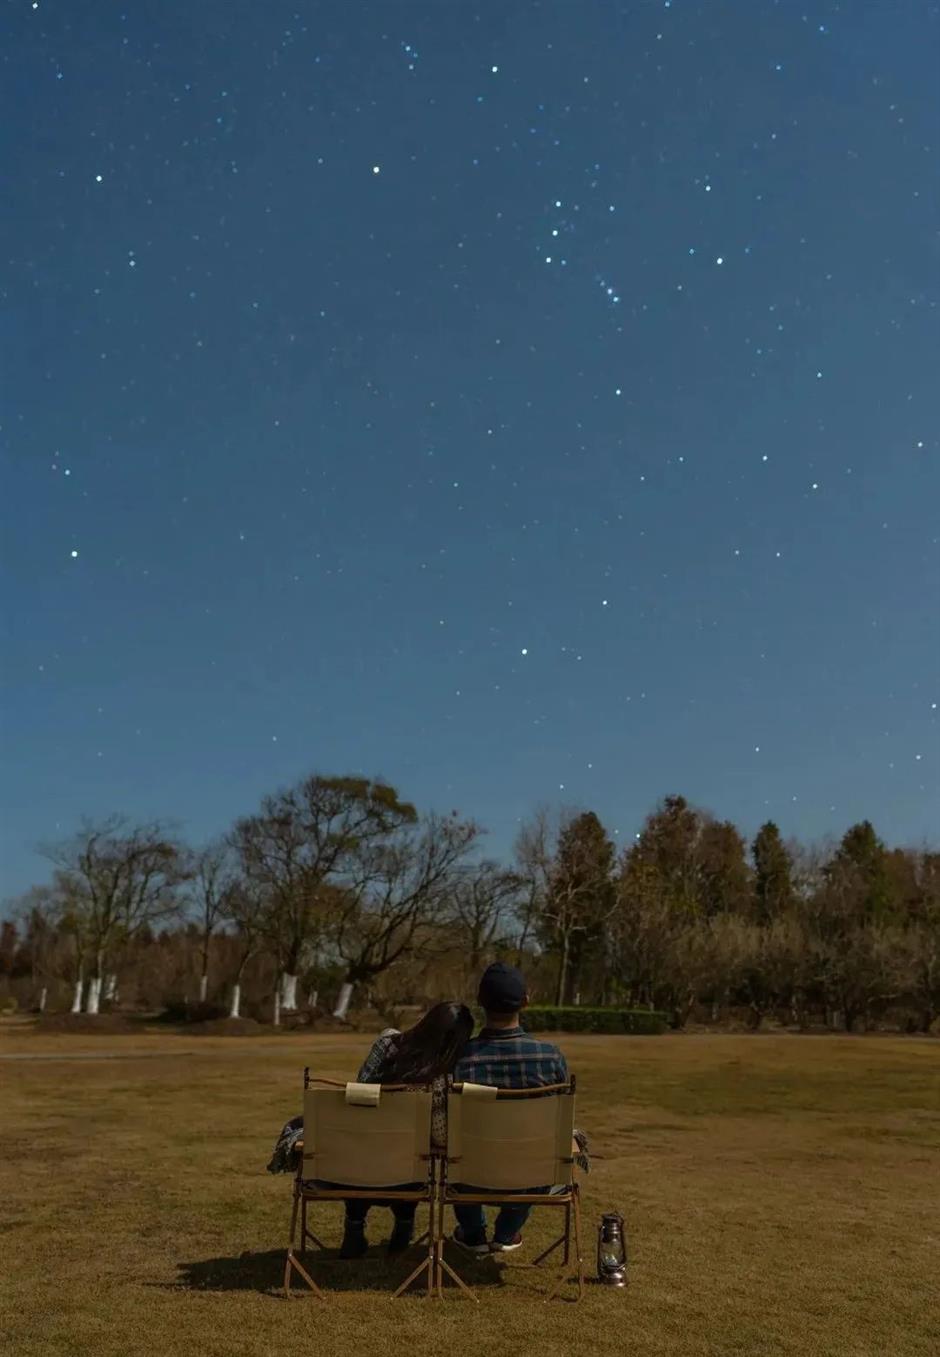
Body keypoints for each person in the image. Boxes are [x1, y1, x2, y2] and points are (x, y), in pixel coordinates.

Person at [267, 1001, 474, 1258]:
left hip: (351, 1171)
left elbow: (359, 1094)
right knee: (408, 1151)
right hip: (405, 1178)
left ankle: (354, 1228)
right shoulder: (442, 1080)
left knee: (366, 1138)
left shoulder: (386, 1043)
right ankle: (404, 1228)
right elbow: (441, 1138)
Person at [450, 962, 570, 1256]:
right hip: (530, 1178)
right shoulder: (550, 1057)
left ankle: (474, 1232)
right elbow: (559, 1126)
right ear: (526, 1001)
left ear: (479, 1001)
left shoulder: (459, 1059)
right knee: (533, 1151)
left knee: (457, 1149)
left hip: (468, 1177)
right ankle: (505, 1232)